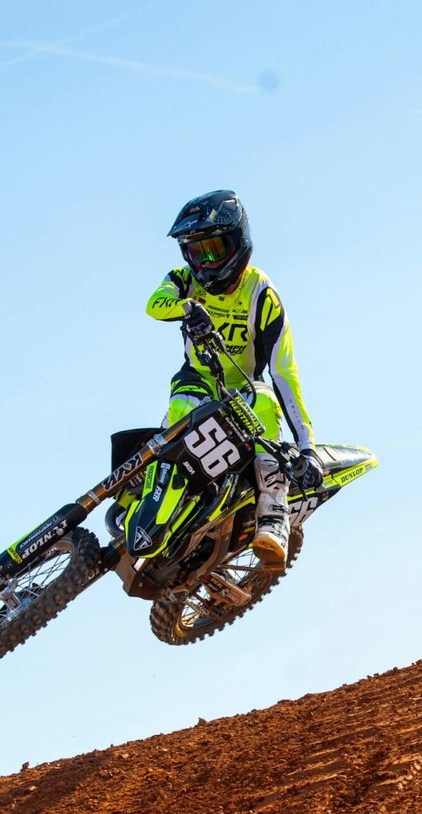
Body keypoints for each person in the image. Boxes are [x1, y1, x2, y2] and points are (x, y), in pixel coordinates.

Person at [123, 190, 313, 571]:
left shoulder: (262, 294)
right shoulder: (183, 280)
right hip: (196, 381)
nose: (205, 263)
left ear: (238, 243)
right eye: (196, 253)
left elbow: (283, 371)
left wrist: (306, 446)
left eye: (213, 250)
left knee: (264, 400)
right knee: (182, 405)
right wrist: (187, 308)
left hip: (241, 390)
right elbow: (154, 304)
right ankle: (151, 501)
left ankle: (273, 514)